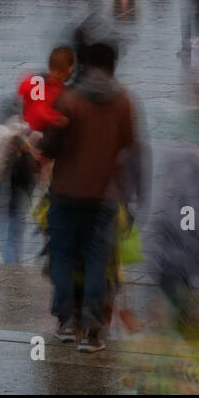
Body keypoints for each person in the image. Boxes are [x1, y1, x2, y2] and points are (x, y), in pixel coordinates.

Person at [40, 41, 144, 353]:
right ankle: (92, 331)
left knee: (62, 256)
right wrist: (134, 193)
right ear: (113, 66)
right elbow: (131, 150)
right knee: (98, 260)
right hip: (104, 196)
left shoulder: (69, 99)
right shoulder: (124, 101)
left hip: (65, 194)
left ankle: (66, 322)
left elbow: (51, 147)